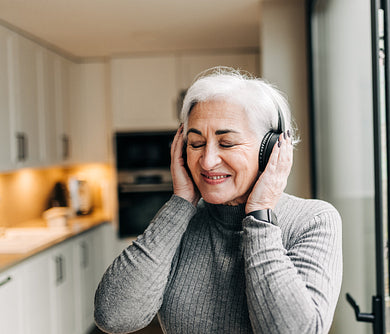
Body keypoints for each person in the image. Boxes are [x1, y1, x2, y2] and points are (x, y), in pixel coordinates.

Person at [94, 67, 342, 334]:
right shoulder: (180, 223)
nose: (208, 161)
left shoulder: (314, 220)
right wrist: (181, 202)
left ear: (270, 149)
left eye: (227, 143)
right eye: (196, 143)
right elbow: (115, 317)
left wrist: (259, 215)